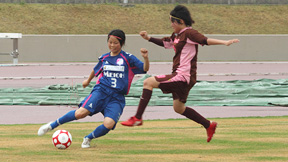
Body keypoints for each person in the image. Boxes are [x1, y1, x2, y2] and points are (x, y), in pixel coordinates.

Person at [121, 5, 239, 143]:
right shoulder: (177, 36)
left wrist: (225, 42)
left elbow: (204, 40)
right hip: (184, 78)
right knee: (178, 108)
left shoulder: (189, 33)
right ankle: (209, 125)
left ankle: (137, 118)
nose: (171, 24)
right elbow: (167, 43)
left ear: (181, 21)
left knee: (148, 82)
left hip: (182, 76)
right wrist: (148, 38)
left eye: (172, 21)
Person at [38, 29, 150, 148]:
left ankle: (88, 138)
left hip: (117, 98)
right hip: (101, 92)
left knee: (109, 124)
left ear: (121, 44)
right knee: (81, 113)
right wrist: (87, 80)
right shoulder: (104, 58)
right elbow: (95, 69)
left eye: (115, 43)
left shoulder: (128, 58)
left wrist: (146, 58)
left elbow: (145, 69)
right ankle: (52, 125)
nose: (112, 45)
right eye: (110, 42)